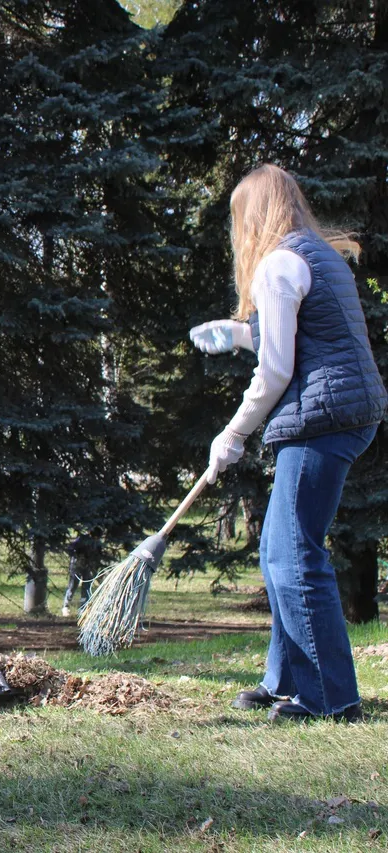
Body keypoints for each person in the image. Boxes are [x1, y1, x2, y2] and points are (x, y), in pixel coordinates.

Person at [190, 164, 386, 723]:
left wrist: (231, 434)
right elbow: (309, 335)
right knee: (281, 550)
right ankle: (282, 681)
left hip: (321, 419)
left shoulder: (278, 264)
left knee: (293, 554)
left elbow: (277, 371)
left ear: (251, 217)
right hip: (346, 412)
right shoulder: (316, 253)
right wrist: (239, 334)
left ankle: (329, 697)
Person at [60, 527, 104, 617]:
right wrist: (77, 555)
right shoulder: (82, 539)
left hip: (88, 567)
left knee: (86, 588)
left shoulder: (97, 543)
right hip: (77, 566)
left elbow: (98, 556)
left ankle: (83, 609)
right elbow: (71, 549)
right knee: (73, 586)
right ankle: (65, 607)